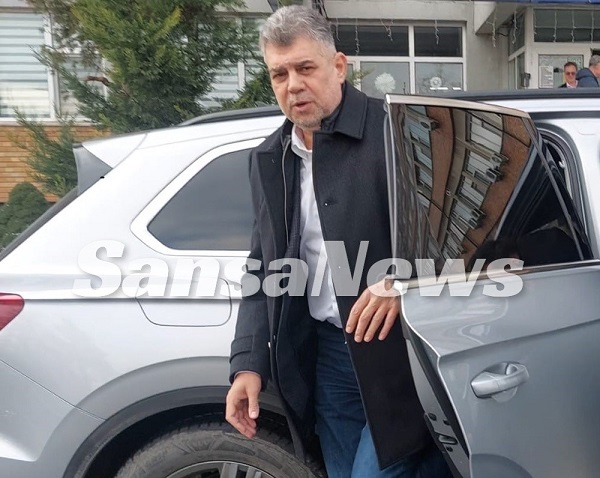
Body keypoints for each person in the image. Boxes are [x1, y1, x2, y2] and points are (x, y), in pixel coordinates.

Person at [225, 5, 451, 478]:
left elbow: (464, 232)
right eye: (279, 74)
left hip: (401, 355)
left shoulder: (402, 133)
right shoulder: (270, 158)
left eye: (305, 68)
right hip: (326, 355)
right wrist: (247, 364)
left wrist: (404, 281)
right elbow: (264, 264)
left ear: (339, 66)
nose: (293, 85)